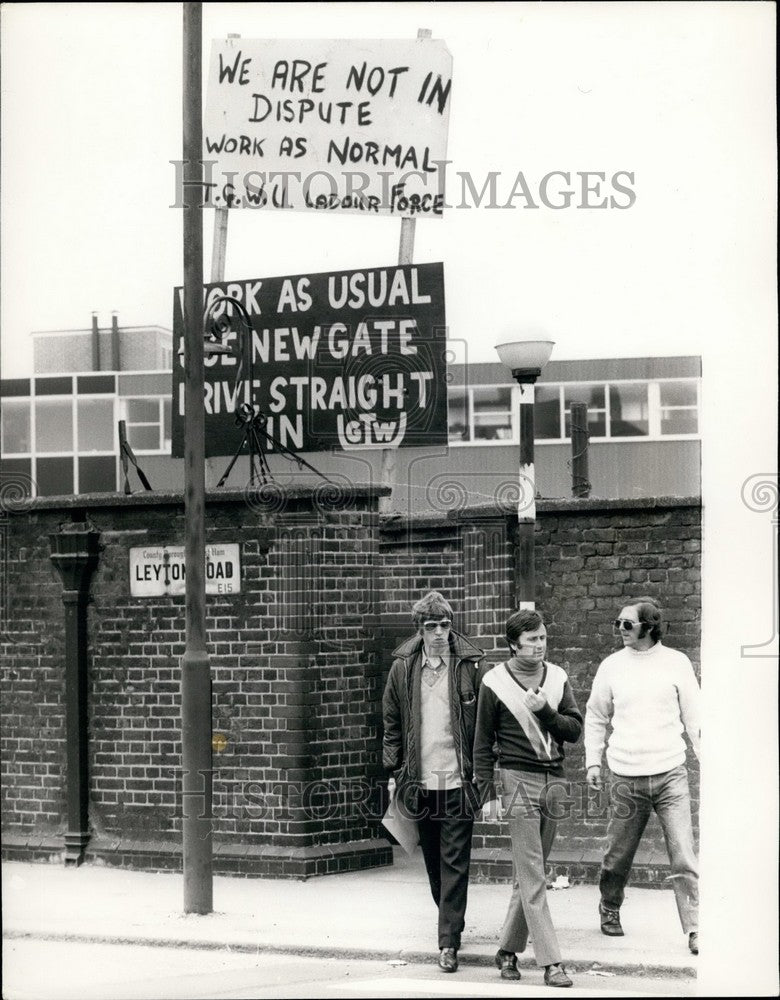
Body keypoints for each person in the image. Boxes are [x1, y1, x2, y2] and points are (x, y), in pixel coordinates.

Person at [585, 597, 700, 955]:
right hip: (625, 776)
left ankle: (696, 927)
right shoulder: (611, 666)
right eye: (617, 623)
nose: (620, 630)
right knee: (617, 855)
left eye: (627, 624)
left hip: (670, 775)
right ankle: (610, 906)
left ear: (649, 627)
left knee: (683, 853)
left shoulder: (677, 663)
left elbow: (696, 719)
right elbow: (595, 716)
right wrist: (593, 762)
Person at [474, 609, 582, 988]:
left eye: (543, 638)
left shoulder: (557, 678)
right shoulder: (495, 682)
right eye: (533, 639)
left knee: (529, 873)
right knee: (535, 874)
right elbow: (482, 744)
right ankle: (551, 962)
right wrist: (487, 794)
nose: (540, 645)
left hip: (554, 781)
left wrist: (546, 712)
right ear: (513, 644)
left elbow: (574, 731)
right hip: (515, 779)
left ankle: (506, 950)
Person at [382, 591, 485, 973]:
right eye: (432, 626)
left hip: (459, 779)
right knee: (432, 860)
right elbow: (391, 723)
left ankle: (448, 942)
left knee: (455, 859)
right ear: (420, 630)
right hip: (420, 781)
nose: (440, 633)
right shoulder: (403, 668)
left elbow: (482, 725)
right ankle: (450, 919)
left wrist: (482, 772)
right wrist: (394, 772)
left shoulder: (471, 666)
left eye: (446, 625)